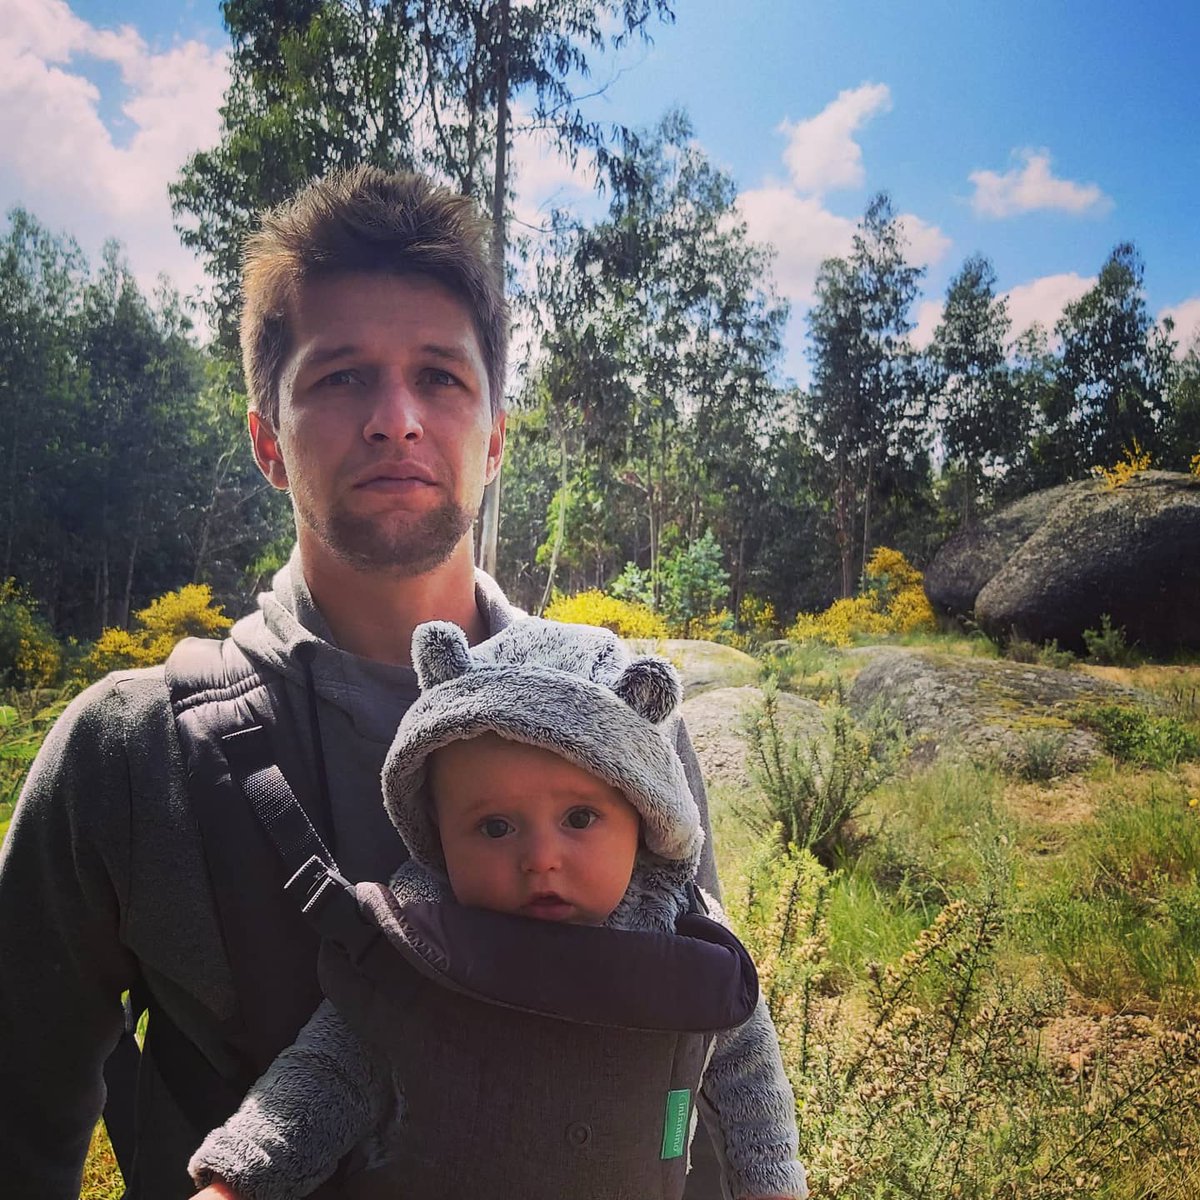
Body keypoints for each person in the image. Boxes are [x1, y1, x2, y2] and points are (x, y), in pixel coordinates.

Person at [0, 166, 723, 1200]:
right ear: (267, 441)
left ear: (495, 437)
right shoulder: (127, 753)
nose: (395, 419)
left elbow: (701, 1066)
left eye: (441, 377)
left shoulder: (620, 713)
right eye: (340, 378)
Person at [187, 617, 807, 1200]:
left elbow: (747, 1072)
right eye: (495, 827)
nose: (540, 859)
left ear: (646, 821)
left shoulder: (683, 937)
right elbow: (335, 1065)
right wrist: (238, 1180)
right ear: (437, 835)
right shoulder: (422, 934)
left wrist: (770, 1183)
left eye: (580, 818)